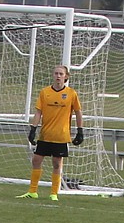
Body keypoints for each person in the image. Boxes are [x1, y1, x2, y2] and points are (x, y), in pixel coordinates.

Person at [17, 64, 84, 202]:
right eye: (56, 73)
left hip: (61, 135)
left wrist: (80, 131)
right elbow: (38, 112)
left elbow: (78, 112)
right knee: (36, 160)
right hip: (45, 134)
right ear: (53, 75)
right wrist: (33, 129)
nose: (58, 76)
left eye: (61, 74)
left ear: (66, 76)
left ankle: (54, 193)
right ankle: (32, 191)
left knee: (56, 163)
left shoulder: (71, 94)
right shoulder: (45, 92)